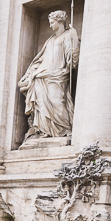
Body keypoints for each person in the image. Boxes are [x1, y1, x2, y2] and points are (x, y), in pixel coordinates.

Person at [18, 10, 79, 142]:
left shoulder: (68, 35)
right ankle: (44, 130)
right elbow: (40, 59)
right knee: (41, 104)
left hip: (58, 75)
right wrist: (30, 74)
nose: (50, 25)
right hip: (42, 75)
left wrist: (74, 38)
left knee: (58, 102)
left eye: (52, 22)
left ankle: (65, 129)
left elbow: (72, 60)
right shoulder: (50, 39)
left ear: (59, 21)